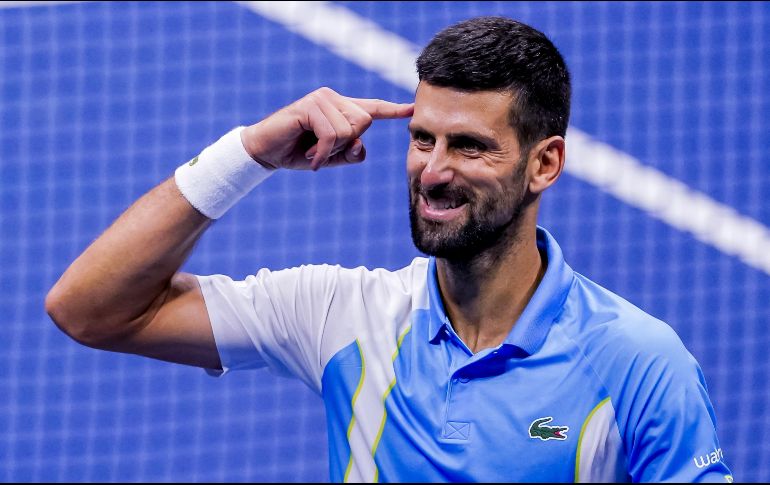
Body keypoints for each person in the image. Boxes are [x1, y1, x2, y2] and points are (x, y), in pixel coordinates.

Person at [45, 16, 732, 483]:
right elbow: (93, 308)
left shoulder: (640, 365)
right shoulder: (342, 316)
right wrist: (247, 153)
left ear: (544, 164)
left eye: (469, 146)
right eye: (422, 137)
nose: (432, 171)